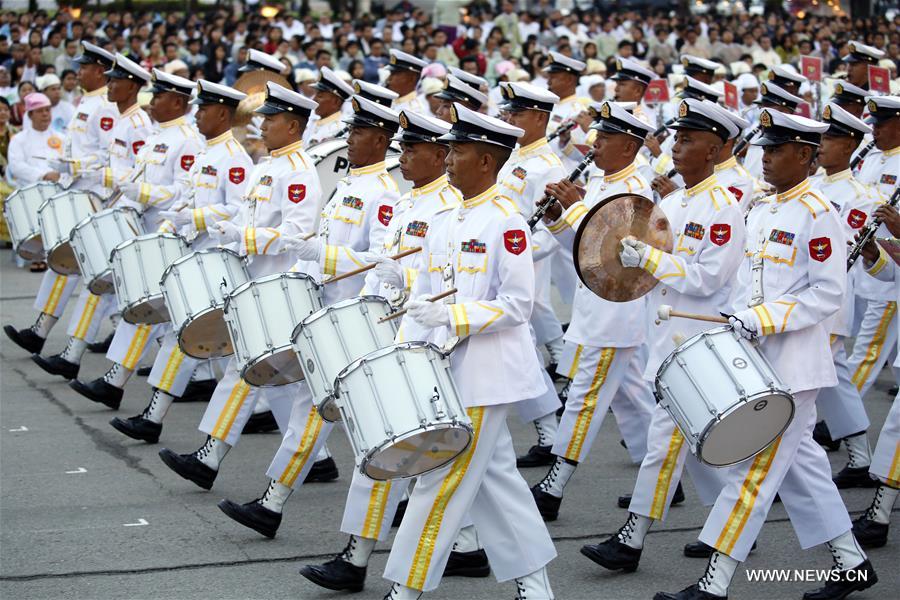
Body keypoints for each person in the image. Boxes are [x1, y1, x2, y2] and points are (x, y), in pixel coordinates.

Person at [654, 108, 877, 600]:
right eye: (764, 150)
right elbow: (743, 286)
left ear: (804, 154)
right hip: (760, 362)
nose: (766, 159)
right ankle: (852, 562)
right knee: (805, 468)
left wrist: (762, 318)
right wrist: (738, 320)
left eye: (777, 151)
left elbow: (826, 294)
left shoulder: (817, 213)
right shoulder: (762, 208)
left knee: (750, 473)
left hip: (795, 366)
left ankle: (714, 585)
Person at [373, 101, 556, 600]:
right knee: (498, 483)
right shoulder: (447, 218)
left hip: (489, 372)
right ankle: (536, 589)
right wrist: (407, 297)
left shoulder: (507, 221)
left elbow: (517, 305)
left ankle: (403, 591)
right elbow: (433, 291)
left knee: (441, 479)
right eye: (450, 149)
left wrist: (452, 317)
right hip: (451, 365)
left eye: (459, 150)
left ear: (487, 161)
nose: (448, 158)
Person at [215, 91, 401, 535]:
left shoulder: (384, 193)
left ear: (380, 140)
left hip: (354, 318)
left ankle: (276, 503)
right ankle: (272, 502)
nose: (349, 139)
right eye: (351, 130)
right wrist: (304, 271)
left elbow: (381, 261)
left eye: (358, 132)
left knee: (367, 418)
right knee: (328, 412)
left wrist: (323, 256)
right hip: (328, 315)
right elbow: (314, 245)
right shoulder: (351, 185)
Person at [579, 99, 745, 572]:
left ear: (714, 151)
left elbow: (706, 279)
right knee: (692, 445)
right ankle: (727, 525)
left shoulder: (723, 209)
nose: (676, 146)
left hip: (698, 342)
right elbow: (643, 270)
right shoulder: (670, 203)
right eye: (677, 137)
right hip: (667, 339)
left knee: (670, 444)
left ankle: (632, 540)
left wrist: (647, 259)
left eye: (688, 140)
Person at [156, 82, 324, 491]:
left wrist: (244, 236)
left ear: (294, 125)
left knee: (248, 372)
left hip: (279, 285)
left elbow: (297, 234)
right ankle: (317, 460)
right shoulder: (268, 165)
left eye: (272, 119)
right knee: (277, 377)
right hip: (257, 282)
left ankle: (210, 457)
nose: (262, 125)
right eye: (263, 118)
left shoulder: (300, 171)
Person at [108, 79, 254, 444]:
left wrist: (196, 218)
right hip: (195, 254)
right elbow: (186, 196)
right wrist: (175, 220)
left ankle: (153, 416)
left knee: (185, 334)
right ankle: (318, 459)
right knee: (217, 344)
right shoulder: (206, 152)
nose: (197, 114)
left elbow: (238, 209)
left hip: (216, 258)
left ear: (222, 113)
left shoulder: (234, 157)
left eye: (204, 109)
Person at [530, 100, 657, 520]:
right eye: (597, 134)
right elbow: (583, 251)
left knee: (585, 398)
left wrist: (576, 208)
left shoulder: (636, 187)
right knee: (630, 395)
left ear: (628, 145)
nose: (594, 142)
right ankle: (661, 478)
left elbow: (620, 251)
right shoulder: (604, 180)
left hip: (614, 311)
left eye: (604, 137)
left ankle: (554, 486)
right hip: (598, 304)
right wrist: (556, 219)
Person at [69, 62, 201, 410]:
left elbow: (180, 193)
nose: (151, 102)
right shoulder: (158, 135)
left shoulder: (186, 141)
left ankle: (125, 386)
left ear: (176, 102)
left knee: (155, 314)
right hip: (142, 228)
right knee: (147, 311)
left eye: (158, 96)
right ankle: (118, 382)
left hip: (164, 233)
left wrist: (139, 192)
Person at [28, 41, 121, 380]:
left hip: (94, 194)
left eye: (84, 67)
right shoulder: (86, 101)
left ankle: (65, 344)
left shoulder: (106, 107)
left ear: (100, 70)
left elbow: (110, 157)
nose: (78, 72)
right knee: (71, 266)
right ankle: (44, 333)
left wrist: (74, 165)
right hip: (79, 190)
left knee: (95, 275)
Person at [808, 102, 880, 489]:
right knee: (832, 378)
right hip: (802, 294)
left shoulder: (860, 195)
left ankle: (858, 457)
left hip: (831, 298)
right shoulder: (812, 185)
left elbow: (848, 249)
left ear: (850, 144)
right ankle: (859, 456)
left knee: (828, 376)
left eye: (831, 138)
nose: (821, 144)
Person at [303, 66, 353, 146]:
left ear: (336, 102)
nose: (314, 99)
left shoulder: (340, 128)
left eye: (320, 96)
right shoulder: (312, 121)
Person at [385, 49, 428, 114]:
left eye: (394, 74)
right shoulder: (392, 101)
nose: (389, 79)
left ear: (411, 78)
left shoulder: (415, 111)